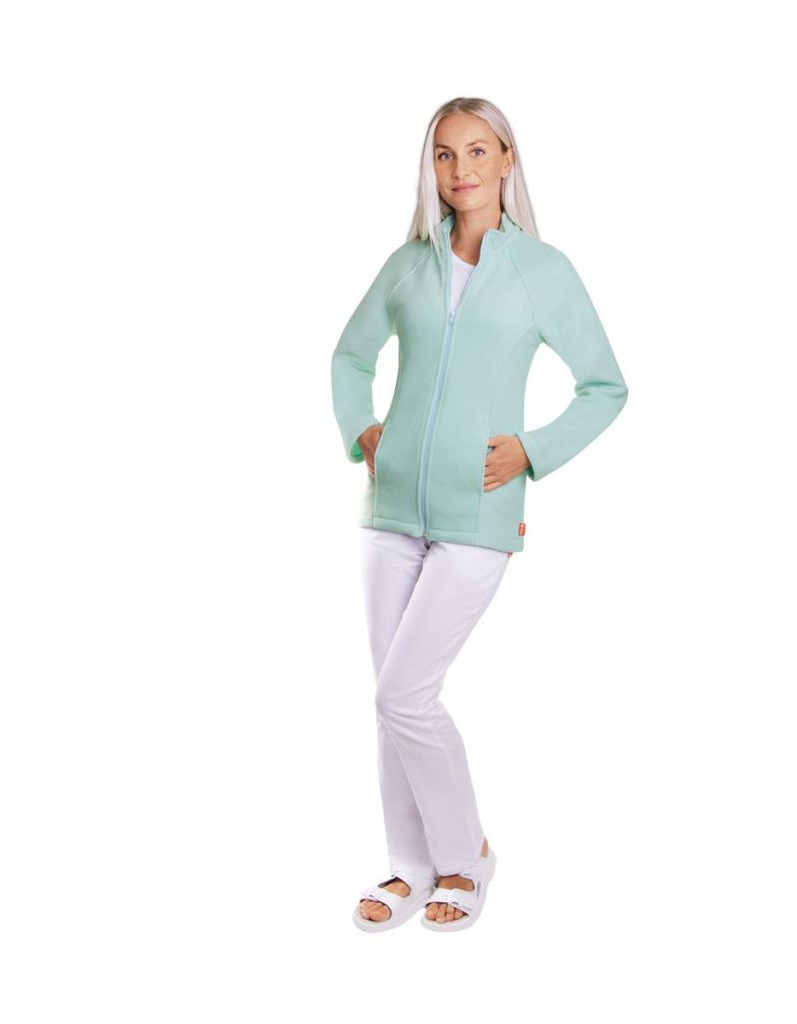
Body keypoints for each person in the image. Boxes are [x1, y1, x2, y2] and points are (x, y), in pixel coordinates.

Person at [331, 97, 629, 932]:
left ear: (506, 160)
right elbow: (350, 355)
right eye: (444, 154)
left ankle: (466, 860)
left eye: (476, 151)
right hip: (390, 513)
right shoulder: (408, 265)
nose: (460, 169)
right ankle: (409, 865)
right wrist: (361, 430)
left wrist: (532, 450)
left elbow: (605, 386)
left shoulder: (543, 272)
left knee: (405, 694)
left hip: (479, 517)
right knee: (392, 700)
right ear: (431, 167)